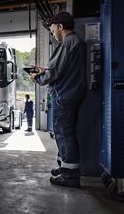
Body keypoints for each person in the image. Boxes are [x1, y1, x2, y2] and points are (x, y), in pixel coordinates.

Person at [30, 12, 87, 188]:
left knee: (64, 134)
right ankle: (64, 167)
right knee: (64, 133)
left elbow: (54, 72)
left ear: (61, 26)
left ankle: (70, 175)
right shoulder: (76, 42)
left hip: (64, 94)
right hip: (72, 92)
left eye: (52, 28)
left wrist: (37, 78)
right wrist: (44, 69)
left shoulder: (67, 43)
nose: (52, 32)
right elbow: (59, 68)